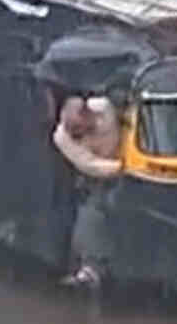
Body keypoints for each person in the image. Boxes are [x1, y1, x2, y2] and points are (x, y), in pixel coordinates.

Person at [52, 95, 123, 289]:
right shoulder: (61, 137)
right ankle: (90, 268)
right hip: (97, 174)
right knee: (91, 212)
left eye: (79, 129)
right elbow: (88, 164)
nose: (77, 136)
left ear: (88, 113)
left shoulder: (105, 107)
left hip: (126, 154)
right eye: (73, 132)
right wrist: (123, 168)